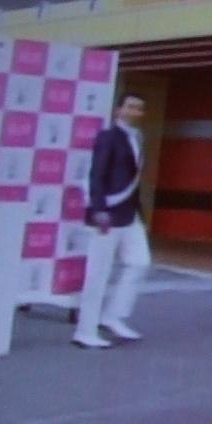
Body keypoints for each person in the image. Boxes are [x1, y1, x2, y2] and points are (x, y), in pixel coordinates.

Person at [72, 92, 152, 349]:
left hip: (130, 213)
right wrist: (99, 209)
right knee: (98, 274)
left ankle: (113, 316)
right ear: (118, 110)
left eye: (139, 108)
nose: (135, 112)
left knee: (140, 262)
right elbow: (96, 175)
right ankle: (85, 331)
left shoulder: (138, 138)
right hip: (107, 213)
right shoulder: (107, 137)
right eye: (131, 106)